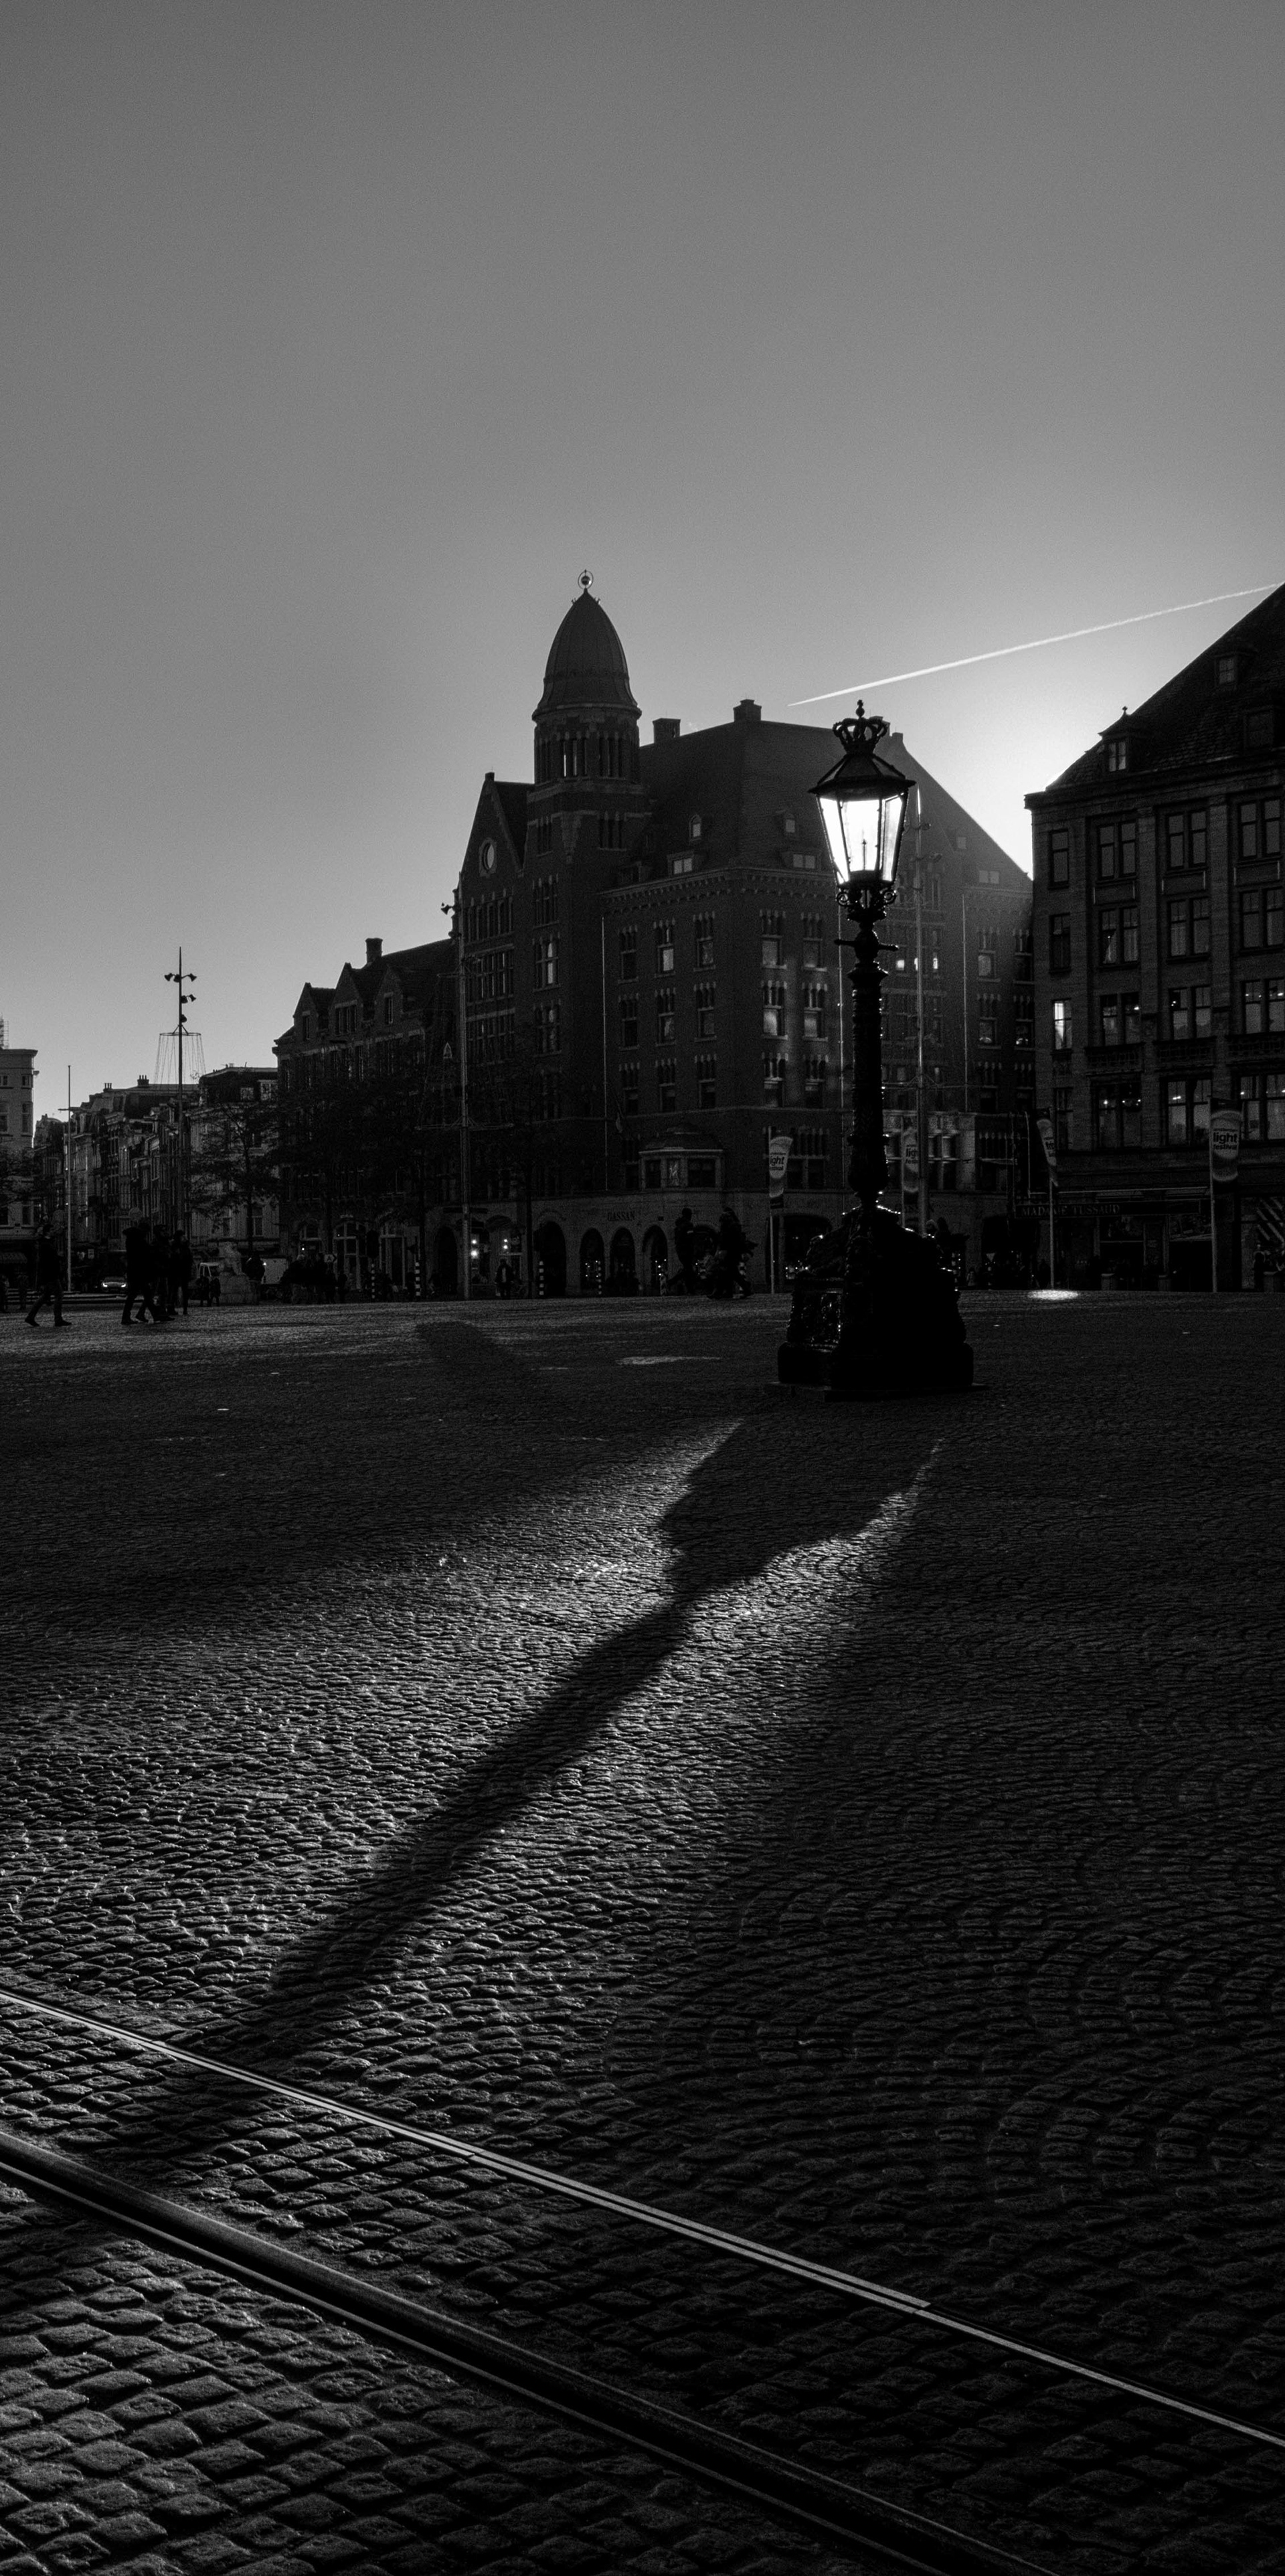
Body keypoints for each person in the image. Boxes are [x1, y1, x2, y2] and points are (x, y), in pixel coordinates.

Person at [27, 1222, 68, 1327]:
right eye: (52, 1230)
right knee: (59, 1294)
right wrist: (58, 1258)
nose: (54, 1231)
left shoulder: (48, 1243)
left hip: (50, 1273)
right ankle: (58, 1319)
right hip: (50, 1274)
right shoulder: (45, 1245)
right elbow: (46, 1261)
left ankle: (31, 1317)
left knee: (45, 1297)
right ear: (47, 1232)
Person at [122, 1220, 159, 1325]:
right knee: (144, 1294)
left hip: (134, 1271)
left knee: (138, 1295)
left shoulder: (131, 1240)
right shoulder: (139, 1240)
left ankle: (128, 1316)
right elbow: (145, 1253)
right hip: (139, 1272)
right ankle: (154, 1315)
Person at [673, 1205, 696, 1293]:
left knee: (687, 1269)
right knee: (688, 1269)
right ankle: (672, 1282)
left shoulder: (679, 1225)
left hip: (680, 1249)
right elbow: (690, 1238)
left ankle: (690, 1288)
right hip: (687, 1250)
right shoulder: (688, 1225)